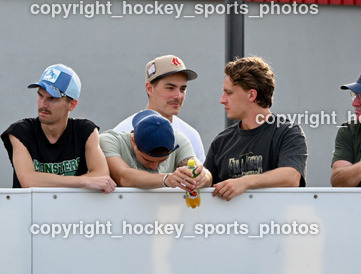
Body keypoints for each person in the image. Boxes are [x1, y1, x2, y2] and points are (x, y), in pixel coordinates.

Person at [205, 56, 308, 200]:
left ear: (251, 95)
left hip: (274, 222)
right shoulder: (221, 141)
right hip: (230, 223)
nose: (222, 100)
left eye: (229, 93)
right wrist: (195, 176)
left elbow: (291, 177)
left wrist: (245, 183)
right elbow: (206, 185)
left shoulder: (287, 132)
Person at [2, 64, 115, 192]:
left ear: (72, 104)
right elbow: (28, 180)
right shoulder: (21, 131)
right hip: (30, 210)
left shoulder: (85, 131)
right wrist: (83, 181)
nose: (43, 104)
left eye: (52, 98)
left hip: (72, 210)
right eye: (40, 95)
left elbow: (101, 176)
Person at [111, 55, 206, 162]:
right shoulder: (123, 132)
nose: (178, 96)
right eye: (170, 88)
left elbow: (201, 176)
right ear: (149, 89)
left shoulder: (191, 135)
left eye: (182, 89)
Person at [100, 110, 212, 190]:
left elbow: (202, 171)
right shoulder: (109, 141)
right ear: (133, 140)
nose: (155, 167)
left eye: (162, 161)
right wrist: (167, 179)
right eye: (148, 160)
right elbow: (123, 177)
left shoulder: (180, 140)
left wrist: (202, 177)